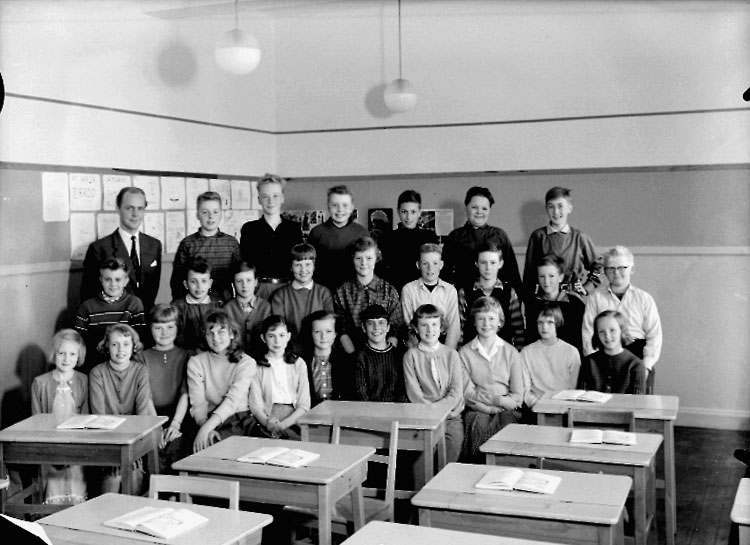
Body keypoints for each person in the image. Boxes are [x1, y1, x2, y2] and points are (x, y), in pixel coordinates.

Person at [581, 246, 662, 393]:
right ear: (605, 271)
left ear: (632, 269)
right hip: (603, 360)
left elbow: (654, 335)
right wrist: (594, 366)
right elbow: (588, 333)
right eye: (611, 268)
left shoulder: (644, 299)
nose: (616, 272)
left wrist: (645, 366)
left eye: (622, 267)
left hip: (637, 359)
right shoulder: (595, 298)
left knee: (635, 403)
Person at [89, 323, 156, 493]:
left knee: (133, 472)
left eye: (126, 344)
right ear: (107, 347)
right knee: (113, 475)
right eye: (114, 344)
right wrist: (114, 454)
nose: (121, 350)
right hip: (107, 443)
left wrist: (132, 452)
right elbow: (99, 417)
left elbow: (142, 414)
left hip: (134, 441)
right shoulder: (97, 373)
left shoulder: (140, 371)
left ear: (134, 347)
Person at [459, 297, 524, 461]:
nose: (486, 323)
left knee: (508, 424)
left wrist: (501, 404)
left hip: (507, 409)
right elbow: (468, 394)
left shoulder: (511, 353)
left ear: (500, 321)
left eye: (491, 319)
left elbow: (517, 396)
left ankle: (503, 468)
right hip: (477, 408)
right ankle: (479, 466)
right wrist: (493, 407)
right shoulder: (464, 353)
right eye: (481, 318)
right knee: (478, 423)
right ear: (474, 322)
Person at [81, 186, 161, 312]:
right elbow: (88, 296)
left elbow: (152, 290)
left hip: (146, 319)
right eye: (129, 208)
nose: (135, 214)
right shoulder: (99, 248)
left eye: (140, 208)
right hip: (113, 319)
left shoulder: (154, 245)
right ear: (118, 209)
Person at [31, 329, 88, 505]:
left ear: (78, 357)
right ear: (54, 354)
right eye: (61, 353)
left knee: (75, 477)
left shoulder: (84, 381)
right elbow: (36, 420)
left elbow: (87, 417)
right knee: (51, 481)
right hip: (49, 445)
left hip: (77, 444)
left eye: (72, 354)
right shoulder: (40, 383)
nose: (66, 358)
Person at [187, 310, 257, 452]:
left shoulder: (246, 362)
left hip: (237, 419)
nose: (216, 338)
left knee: (216, 446)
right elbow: (198, 403)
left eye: (221, 332)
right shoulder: (196, 362)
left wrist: (206, 429)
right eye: (210, 333)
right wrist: (205, 427)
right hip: (205, 419)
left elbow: (232, 401)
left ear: (232, 334)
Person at [403, 304, 464, 464]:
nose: (430, 330)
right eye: (424, 325)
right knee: (422, 466)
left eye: (434, 325)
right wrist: (433, 413)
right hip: (424, 417)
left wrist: (443, 412)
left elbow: (456, 392)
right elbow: (414, 394)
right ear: (416, 328)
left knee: (450, 459)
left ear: (441, 327)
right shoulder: (411, 356)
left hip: (451, 417)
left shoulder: (452, 354)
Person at [133, 304, 190, 473]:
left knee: (176, 445)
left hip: (179, 415)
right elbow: (145, 395)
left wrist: (176, 424)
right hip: (151, 414)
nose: (164, 333)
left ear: (178, 328)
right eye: (158, 328)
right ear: (150, 328)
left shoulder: (186, 355)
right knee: (154, 447)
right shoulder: (141, 357)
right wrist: (156, 426)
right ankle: (155, 487)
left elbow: (185, 393)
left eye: (170, 327)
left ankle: (174, 489)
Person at [441, 186, 521, 296]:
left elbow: (512, 273)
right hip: (463, 297)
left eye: (484, 209)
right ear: (466, 207)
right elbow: (445, 275)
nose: (479, 212)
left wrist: (518, 297)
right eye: (474, 207)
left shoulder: (499, 235)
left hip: (496, 297)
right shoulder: (455, 237)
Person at [523, 187, 602, 298]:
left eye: (560, 206)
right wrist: (529, 301)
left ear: (569, 208)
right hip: (545, 298)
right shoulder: (538, 237)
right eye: (551, 206)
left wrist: (587, 287)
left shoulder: (579, 237)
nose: (556, 211)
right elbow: (529, 275)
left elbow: (599, 266)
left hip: (572, 298)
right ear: (546, 209)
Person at [333, 237, 404, 354]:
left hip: (384, 351)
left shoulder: (389, 291)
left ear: (377, 258)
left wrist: (386, 354)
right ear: (352, 259)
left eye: (369, 258)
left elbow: (396, 327)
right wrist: (355, 356)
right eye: (358, 258)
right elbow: (341, 328)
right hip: (352, 351)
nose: (363, 263)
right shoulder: (342, 291)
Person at [75, 257, 145, 373]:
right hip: (95, 365)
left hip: (126, 365)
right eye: (108, 279)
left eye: (118, 280)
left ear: (126, 281)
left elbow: (140, 339)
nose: (113, 284)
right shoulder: (87, 306)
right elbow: (79, 341)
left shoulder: (134, 304)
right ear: (101, 280)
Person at [240, 174, 304, 300]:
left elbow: (298, 262)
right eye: (265, 196)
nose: (271, 201)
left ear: (282, 198)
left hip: (287, 288)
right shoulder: (249, 229)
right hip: (258, 289)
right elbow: (245, 264)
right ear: (259, 199)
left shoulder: (293, 229)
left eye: (275, 196)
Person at [170, 191, 241, 302]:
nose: (211, 216)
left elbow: (240, 278)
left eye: (215, 212)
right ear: (197, 215)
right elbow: (177, 282)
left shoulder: (231, 244)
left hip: (224, 304)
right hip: (194, 304)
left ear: (221, 214)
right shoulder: (187, 244)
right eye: (205, 212)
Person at [249, 315, 310, 440]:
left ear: (288, 336)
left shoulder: (299, 364)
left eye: (281, 335)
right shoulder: (256, 366)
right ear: (263, 338)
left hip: (294, 418)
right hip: (267, 417)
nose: (277, 341)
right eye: (271, 336)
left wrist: (284, 425)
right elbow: (256, 405)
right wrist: (268, 423)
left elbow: (304, 404)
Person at [458, 242, 525, 349]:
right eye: (483, 262)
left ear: (500, 264)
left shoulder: (509, 292)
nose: (488, 267)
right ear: (476, 263)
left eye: (493, 262)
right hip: (472, 353)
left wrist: (517, 354)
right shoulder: (465, 292)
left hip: (503, 354)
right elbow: (459, 330)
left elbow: (518, 330)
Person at [269, 243, 334, 354]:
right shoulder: (280, 295)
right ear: (291, 267)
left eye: (308, 264)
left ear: (314, 266)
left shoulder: (324, 293)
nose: (303, 270)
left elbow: (329, 326)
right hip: (290, 351)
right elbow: (280, 330)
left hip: (319, 350)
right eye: (298, 265)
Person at [308, 185, 369, 291]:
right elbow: (308, 266)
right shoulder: (316, 233)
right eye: (335, 205)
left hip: (354, 292)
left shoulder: (362, 233)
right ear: (328, 206)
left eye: (345, 205)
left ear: (351, 207)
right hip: (323, 292)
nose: (340, 209)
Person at [521, 304, 581, 409]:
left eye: (550, 322)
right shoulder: (526, 352)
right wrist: (539, 406)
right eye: (540, 322)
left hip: (565, 407)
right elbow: (525, 388)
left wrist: (561, 407)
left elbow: (573, 388)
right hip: (537, 407)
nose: (544, 327)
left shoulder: (571, 352)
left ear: (557, 323)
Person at [377, 190, 439, 291]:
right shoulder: (386, 238)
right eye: (404, 211)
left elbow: (435, 269)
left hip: (422, 291)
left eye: (413, 212)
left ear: (419, 212)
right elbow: (380, 270)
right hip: (394, 292)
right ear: (398, 211)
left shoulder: (429, 237)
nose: (408, 217)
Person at [401, 243, 460, 349]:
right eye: (425, 263)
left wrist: (447, 353)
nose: (430, 268)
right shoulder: (408, 290)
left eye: (435, 263)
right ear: (418, 265)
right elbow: (408, 326)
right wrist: (419, 353)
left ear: (441, 265)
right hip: (417, 347)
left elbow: (454, 327)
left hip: (443, 346)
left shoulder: (450, 290)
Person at [524, 254, 585, 353]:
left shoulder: (575, 304)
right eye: (542, 276)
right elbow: (531, 338)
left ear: (560, 277)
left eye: (551, 276)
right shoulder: (532, 304)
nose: (546, 281)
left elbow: (580, 339)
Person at [579, 310, 645, 394]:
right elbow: (581, 397)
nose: (607, 336)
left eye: (612, 330)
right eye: (601, 331)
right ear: (597, 335)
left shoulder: (636, 364)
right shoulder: (588, 362)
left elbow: (637, 400)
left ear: (622, 331)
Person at [353, 304, 407, 402]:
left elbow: (404, 389)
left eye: (381, 322)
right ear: (364, 328)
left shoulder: (399, 354)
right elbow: (361, 393)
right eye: (370, 323)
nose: (376, 327)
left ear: (388, 327)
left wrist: (398, 408)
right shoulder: (361, 357)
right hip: (370, 409)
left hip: (397, 408)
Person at [171, 257, 223, 354]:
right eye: (193, 281)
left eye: (204, 281)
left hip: (214, 354)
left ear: (210, 283)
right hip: (186, 355)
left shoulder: (218, 304)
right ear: (186, 284)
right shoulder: (177, 307)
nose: (199, 286)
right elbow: (176, 338)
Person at [222, 260, 272, 358]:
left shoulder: (265, 307)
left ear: (256, 282)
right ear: (233, 283)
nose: (244, 285)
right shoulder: (227, 309)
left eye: (249, 280)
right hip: (235, 359)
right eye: (239, 281)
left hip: (261, 358)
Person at [301, 310, 350, 405]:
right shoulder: (303, 362)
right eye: (317, 332)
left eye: (328, 331)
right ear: (310, 333)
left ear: (335, 334)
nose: (323, 337)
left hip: (339, 410)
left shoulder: (345, 361)